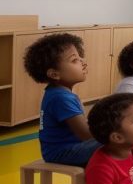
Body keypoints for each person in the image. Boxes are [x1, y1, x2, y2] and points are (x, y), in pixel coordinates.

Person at [26, 33, 101, 166]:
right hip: (64, 152)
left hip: (65, 149)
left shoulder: (58, 93)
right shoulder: (61, 98)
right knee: (121, 140)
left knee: (122, 139)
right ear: (54, 74)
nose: (83, 63)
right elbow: (86, 135)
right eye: (74, 60)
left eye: (80, 58)